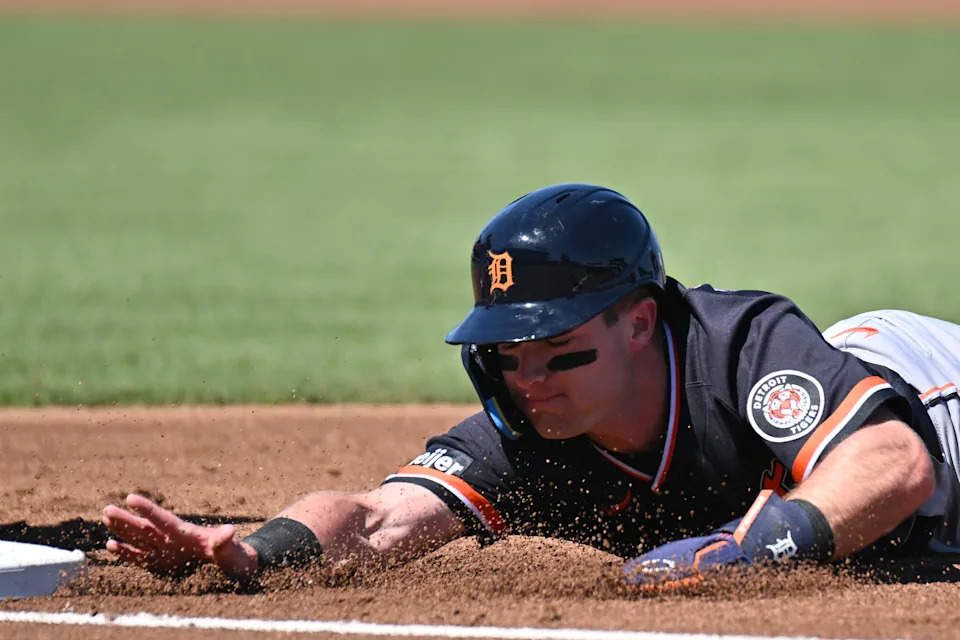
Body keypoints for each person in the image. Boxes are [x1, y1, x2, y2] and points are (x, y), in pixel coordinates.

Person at [102, 183, 960, 590]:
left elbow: (894, 462)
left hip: (934, 393)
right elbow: (374, 516)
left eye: (556, 348)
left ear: (636, 320)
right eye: (509, 353)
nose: (529, 378)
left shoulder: (739, 347)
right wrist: (253, 551)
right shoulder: (527, 430)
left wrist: (752, 548)